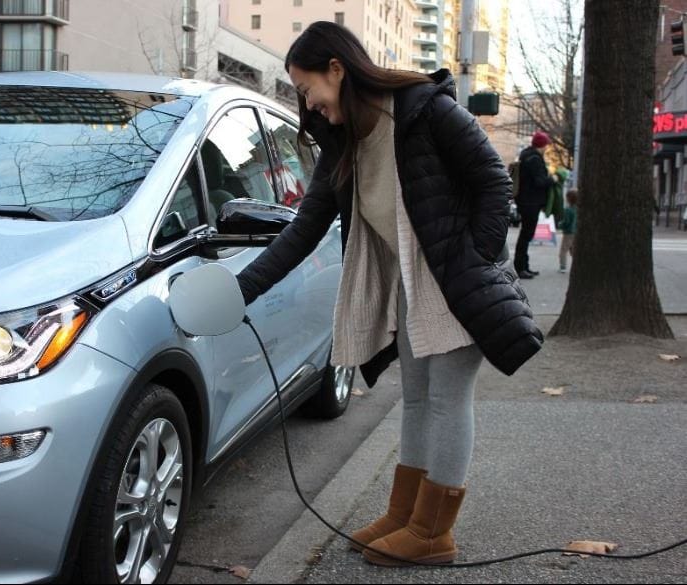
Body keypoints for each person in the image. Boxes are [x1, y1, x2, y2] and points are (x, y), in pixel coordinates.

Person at [235, 22, 544, 567]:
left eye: (307, 88)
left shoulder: (426, 109)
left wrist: (471, 262)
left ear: (337, 69)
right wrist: (240, 291)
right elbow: (303, 229)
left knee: (448, 401)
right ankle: (407, 516)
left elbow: (494, 181)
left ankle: (434, 534)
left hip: (451, 281)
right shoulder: (344, 144)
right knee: (419, 400)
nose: (307, 102)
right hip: (409, 283)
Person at [514, 131, 558, 279]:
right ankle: (520, 268)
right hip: (530, 202)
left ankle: (523, 266)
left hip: (525, 201)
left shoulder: (526, 155)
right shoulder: (535, 159)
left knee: (525, 235)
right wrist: (553, 179)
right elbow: (540, 182)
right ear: (542, 145)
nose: (547, 148)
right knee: (526, 235)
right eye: (546, 145)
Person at [559, 189, 578, 273]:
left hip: (568, 233)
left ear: (568, 199)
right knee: (573, 250)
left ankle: (563, 266)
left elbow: (566, 222)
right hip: (576, 232)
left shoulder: (568, 210)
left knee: (563, 250)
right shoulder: (578, 209)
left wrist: (560, 225)